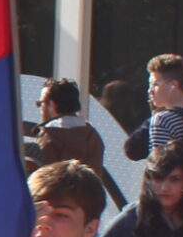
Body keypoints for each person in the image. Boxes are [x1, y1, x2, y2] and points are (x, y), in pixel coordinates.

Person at [119, 53, 183, 170]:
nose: (150, 91)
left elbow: (158, 167)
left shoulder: (162, 120)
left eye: (155, 84)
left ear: (173, 85)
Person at [31, 78, 121, 207]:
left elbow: (42, 183)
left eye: (41, 103)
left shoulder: (49, 136)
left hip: (56, 211)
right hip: (89, 209)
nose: (40, 108)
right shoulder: (92, 135)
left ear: (52, 105)